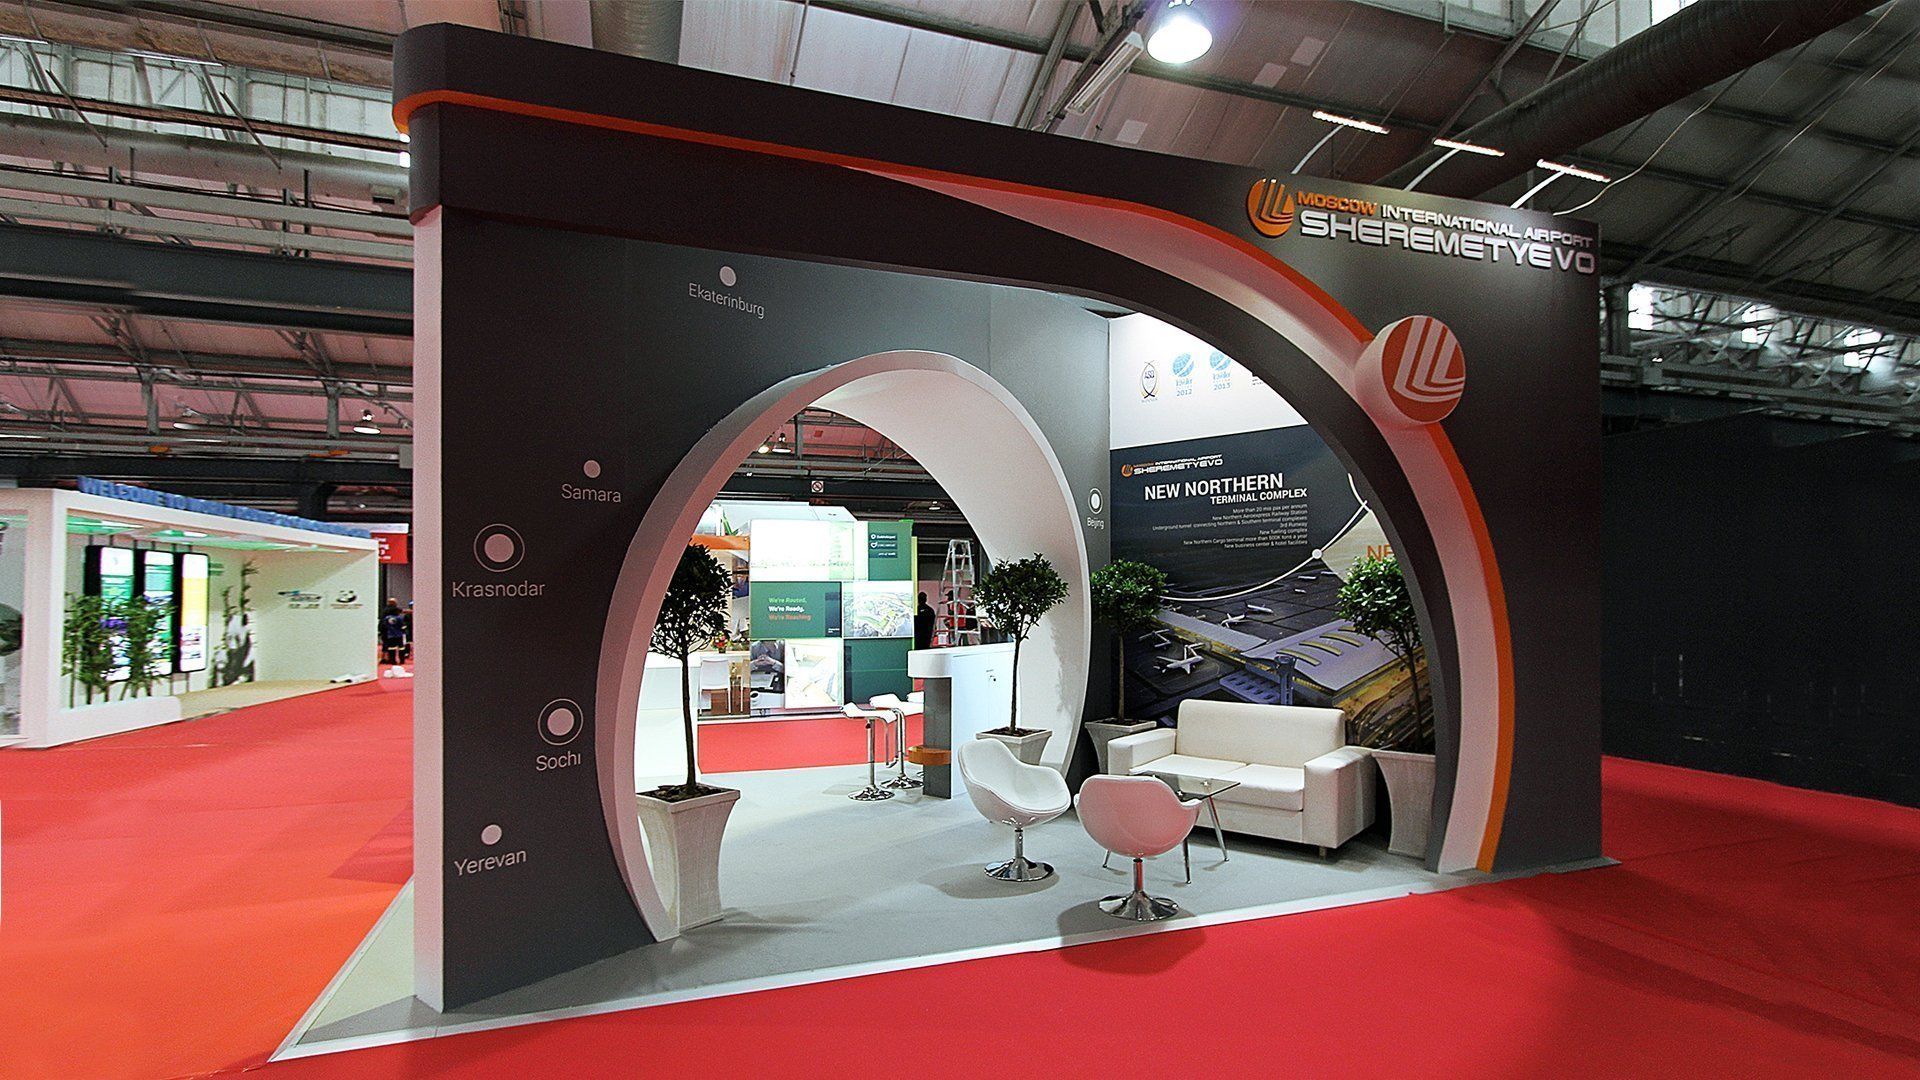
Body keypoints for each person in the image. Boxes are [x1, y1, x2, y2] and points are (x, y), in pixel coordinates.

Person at [379, 599, 408, 666]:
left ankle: (391, 660)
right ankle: (402, 660)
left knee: (390, 647)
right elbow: (403, 626)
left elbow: (384, 624)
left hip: (390, 634)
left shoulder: (386, 617)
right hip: (399, 635)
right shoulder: (399, 618)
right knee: (401, 648)